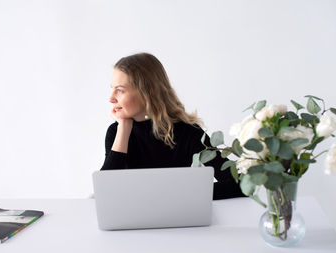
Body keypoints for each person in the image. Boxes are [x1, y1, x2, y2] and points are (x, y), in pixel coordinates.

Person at [101, 53, 245, 200]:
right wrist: (124, 128)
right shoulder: (116, 132)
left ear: (146, 92)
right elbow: (105, 190)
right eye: (112, 89)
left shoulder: (188, 132)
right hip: (131, 221)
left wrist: (187, 194)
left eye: (119, 90)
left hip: (179, 219)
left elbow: (239, 183)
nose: (111, 98)